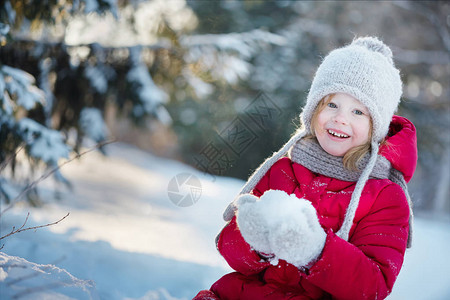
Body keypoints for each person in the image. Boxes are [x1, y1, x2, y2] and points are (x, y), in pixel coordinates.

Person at [193, 36, 417, 300]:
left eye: (359, 112)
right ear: (313, 111)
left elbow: (373, 286)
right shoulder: (284, 168)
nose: (340, 118)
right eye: (331, 104)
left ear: (376, 128)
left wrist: (315, 251)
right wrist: (256, 243)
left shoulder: (385, 196)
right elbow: (229, 248)